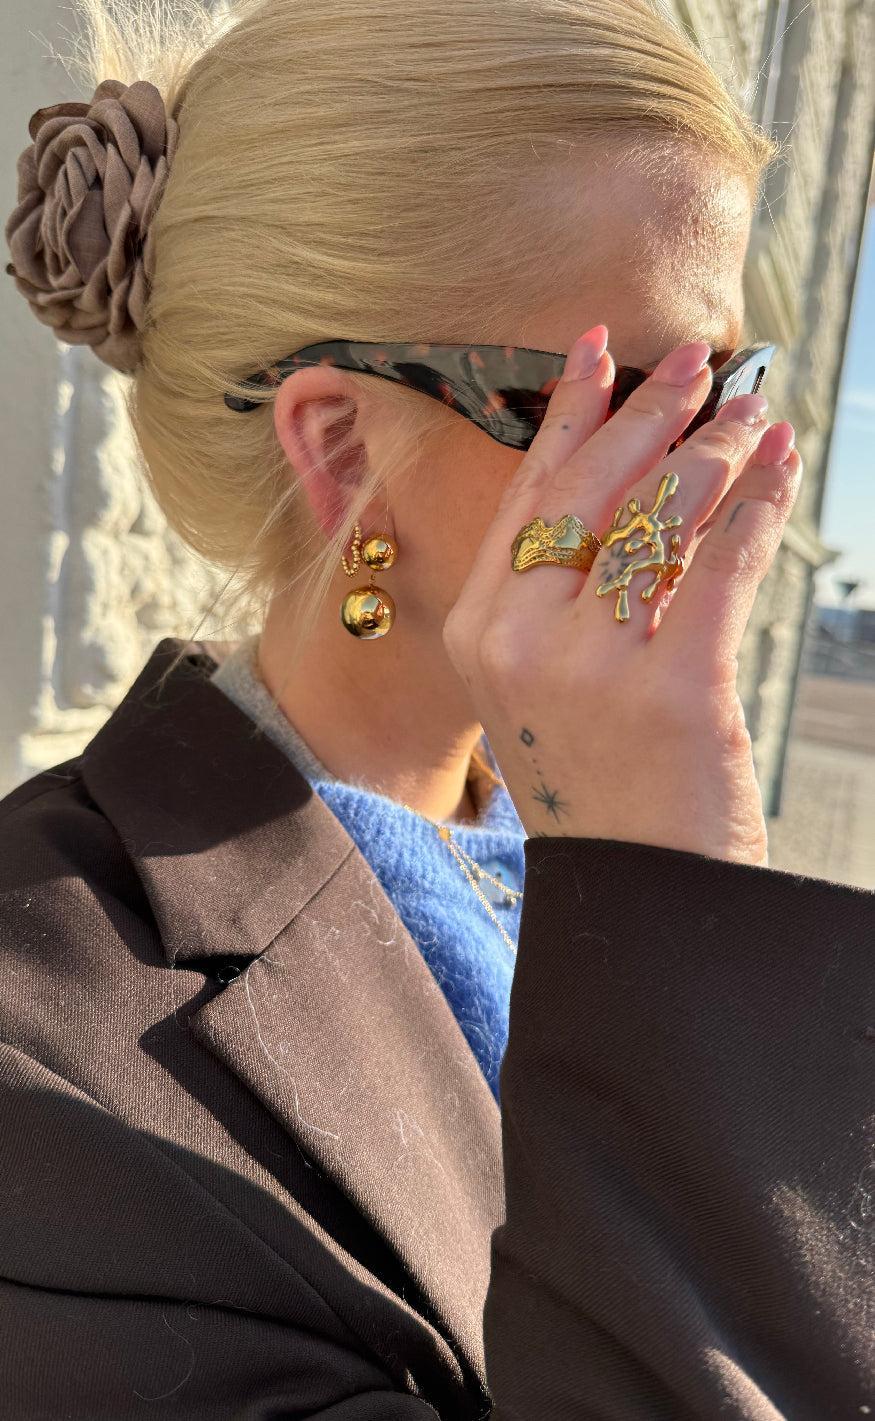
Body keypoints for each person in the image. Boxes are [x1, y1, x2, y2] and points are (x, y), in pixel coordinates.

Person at [0, 0, 872, 1416]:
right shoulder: (47, 1055)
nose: (713, 474)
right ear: (343, 447)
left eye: (732, 387)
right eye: (635, 403)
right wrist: (676, 901)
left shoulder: (563, 818)